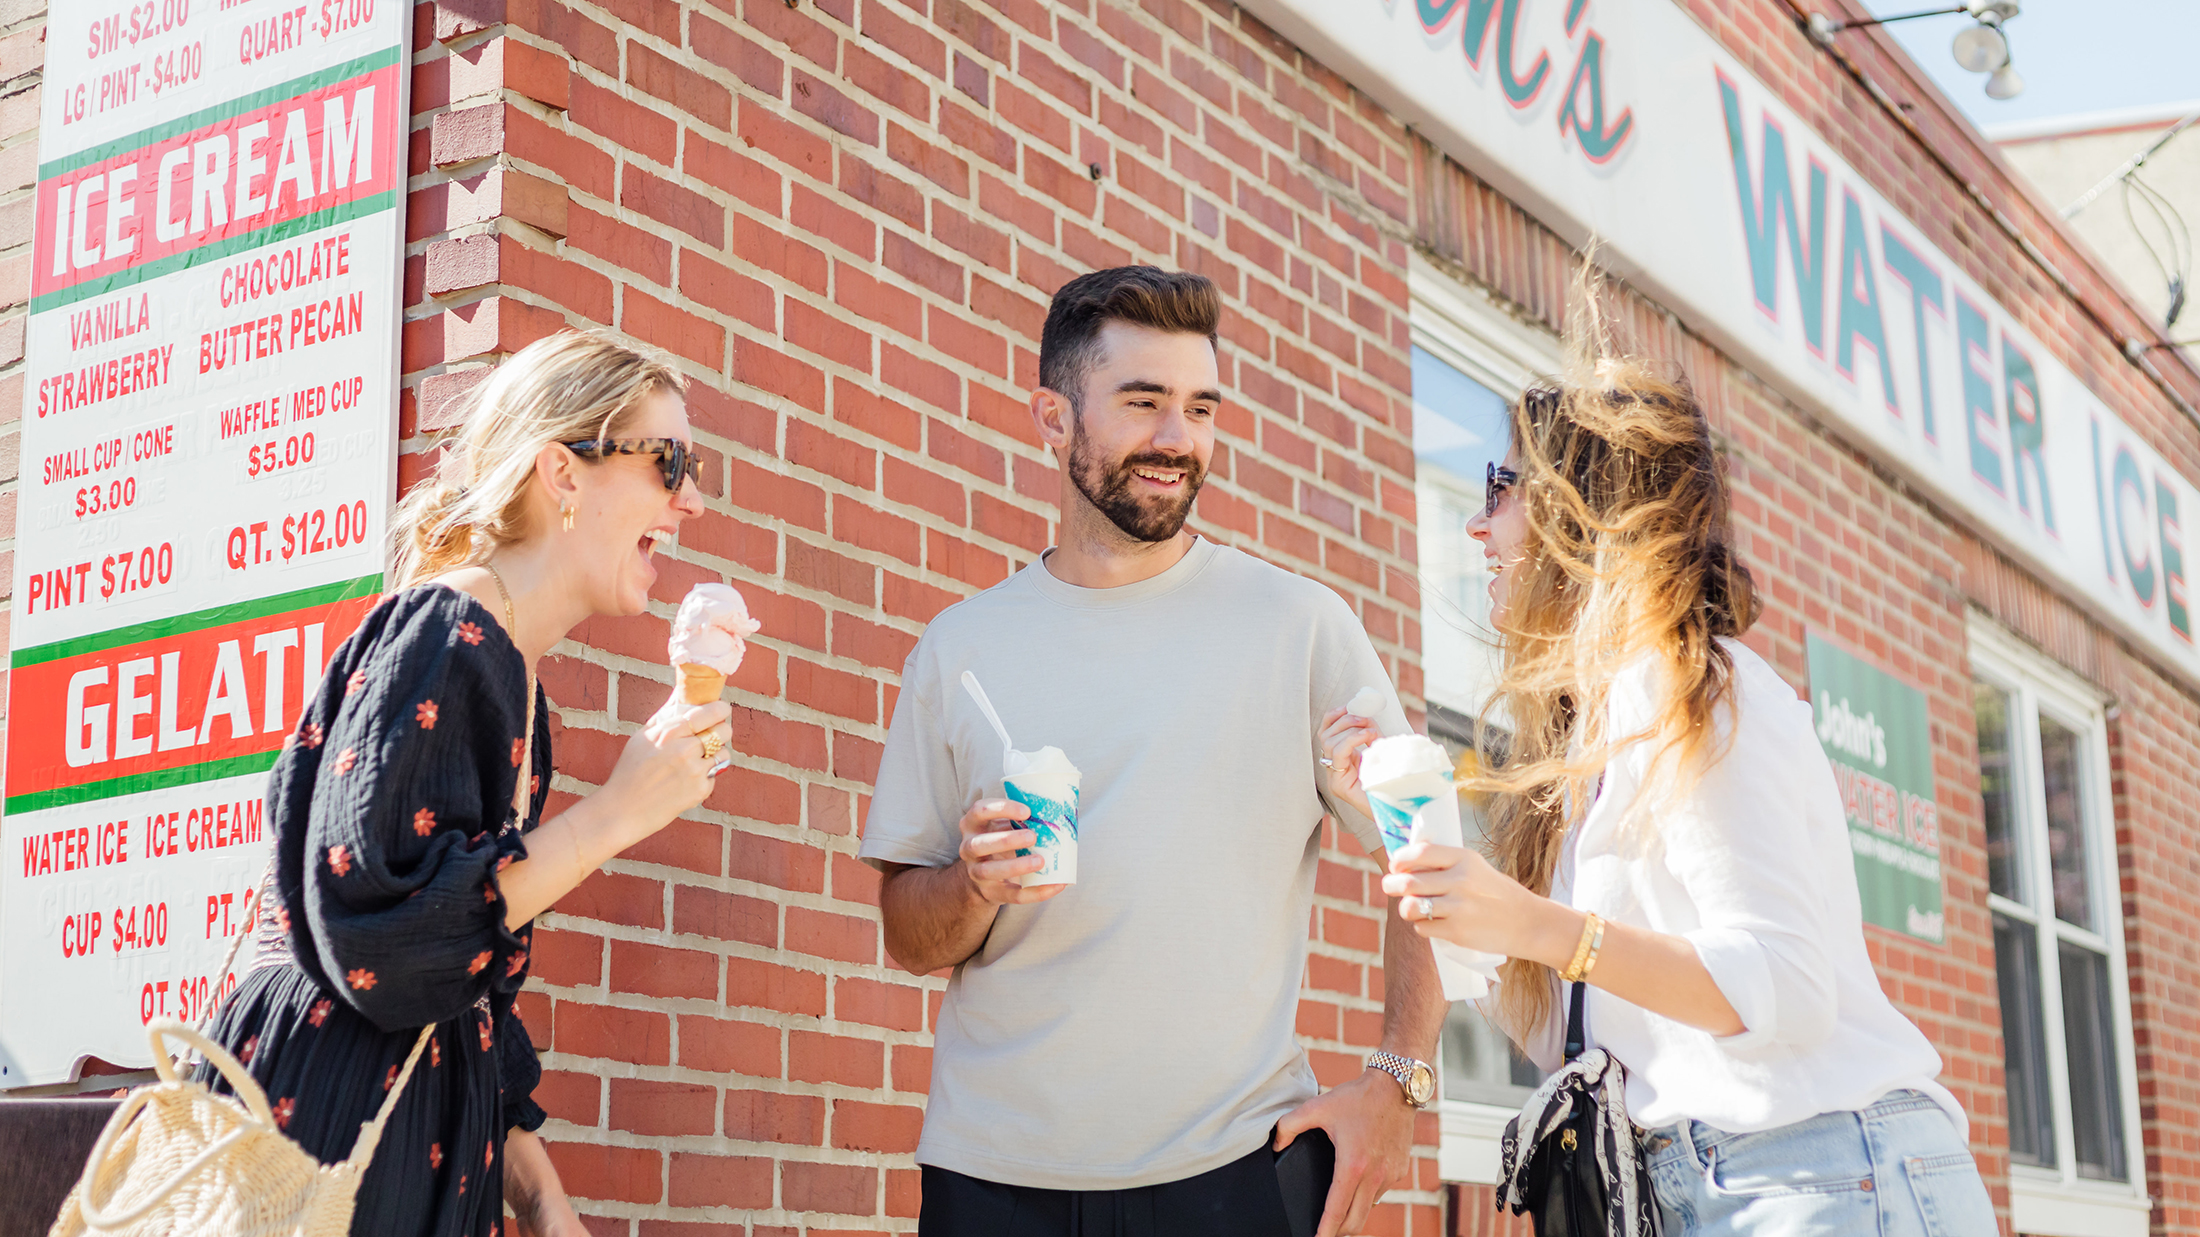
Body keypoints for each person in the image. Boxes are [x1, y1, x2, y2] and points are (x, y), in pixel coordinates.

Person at [1321, 340, 2000, 1234]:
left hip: (1819, 1175)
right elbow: (1553, 1022)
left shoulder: (1691, 688)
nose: (1479, 527)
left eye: (1503, 486)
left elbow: (1786, 986)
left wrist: (1536, 923)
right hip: (1733, 1187)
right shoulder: (1594, 740)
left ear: (1579, 515)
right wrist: (1400, 836)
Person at [859, 265, 1448, 1237]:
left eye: (1199, 408)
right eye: (1143, 404)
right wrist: (972, 884)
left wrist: (1398, 1082)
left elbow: (1425, 845)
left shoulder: (1297, 626)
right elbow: (906, 934)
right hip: (990, 1178)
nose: (1178, 439)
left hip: (1229, 1170)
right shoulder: (959, 651)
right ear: (1053, 419)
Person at [202, 330, 735, 1237]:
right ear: (560, 473)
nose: (691, 498)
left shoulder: (513, 683)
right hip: (324, 1132)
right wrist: (614, 813)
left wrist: (541, 1192)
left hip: (404, 1134)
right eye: (668, 461)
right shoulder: (447, 632)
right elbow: (388, 940)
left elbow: (468, 981)